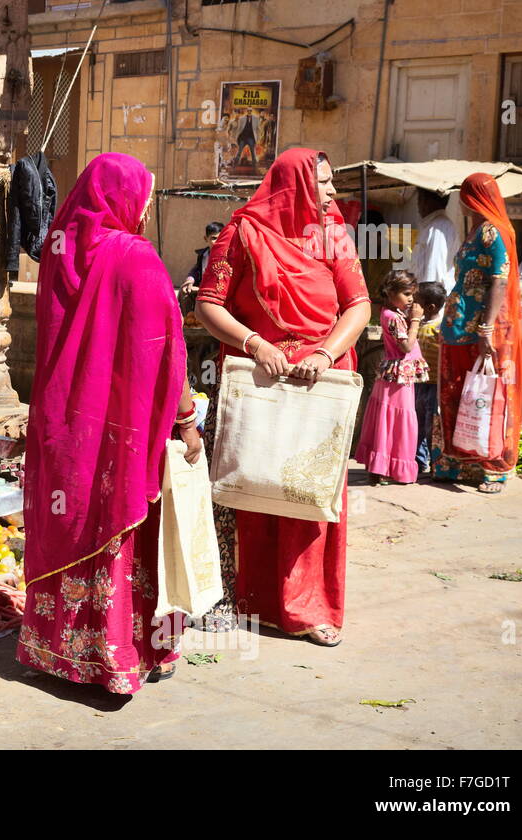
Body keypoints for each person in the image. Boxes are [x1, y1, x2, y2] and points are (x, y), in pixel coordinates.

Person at [17, 153, 202, 694]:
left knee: (69, 518)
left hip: (63, 423)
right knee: (122, 523)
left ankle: (55, 649)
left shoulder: (59, 249)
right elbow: (164, 356)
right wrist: (187, 419)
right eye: (143, 201)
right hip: (121, 429)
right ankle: (126, 654)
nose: (144, 213)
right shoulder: (137, 258)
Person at [195, 148, 371, 646]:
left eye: (333, 183)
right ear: (294, 184)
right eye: (323, 183)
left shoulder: (333, 234)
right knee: (253, 485)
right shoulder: (243, 231)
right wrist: (256, 344)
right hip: (260, 379)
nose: (332, 192)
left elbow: (357, 305)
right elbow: (209, 304)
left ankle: (309, 607)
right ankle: (250, 599)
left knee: (310, 490)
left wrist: (324, 353)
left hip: (323, 378)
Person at [431, 174, 522, 495]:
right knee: (456, 391)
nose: (461, 200)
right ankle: (457, 458)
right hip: (457, 327)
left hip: (482, 330)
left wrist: (486, 328)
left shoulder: (495, 232)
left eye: (465, 194)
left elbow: (499, 280)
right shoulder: (476, 230)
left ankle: (492, 467)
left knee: (487, 394)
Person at [354, 271, 429, 486]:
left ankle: (381, 468)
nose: (411, 299)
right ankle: (386, 468)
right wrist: (415, 320)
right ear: (390, 292)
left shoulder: (390, 313)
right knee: (396, 420)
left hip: (396, 376)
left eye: (412, 294)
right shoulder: (392, 317)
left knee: (387, 420)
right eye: (406, 294)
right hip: (397, 378)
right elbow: (405, 346)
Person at [413, 282, 447, 473]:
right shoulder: (415, 325)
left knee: (430, 425)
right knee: (417, 423)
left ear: (430, 307)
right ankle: (419, 461)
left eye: (417, 302)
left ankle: (435, 462)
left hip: (434, 385)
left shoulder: (440, 328)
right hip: (418, 383)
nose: (413, 305)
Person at [410, 189, 462, 309]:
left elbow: (434, 272)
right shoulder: (432, 226)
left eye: (420, 199)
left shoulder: (438, 227)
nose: (418, 205)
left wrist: (425, 306)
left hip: (432, 306)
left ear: (426, 201)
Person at [180, 221, 225, 297]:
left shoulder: (226, 257)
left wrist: (200, 289)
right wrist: (190, 281)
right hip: (202, 289)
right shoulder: (203, 255)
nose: (217, 242)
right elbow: (196, 270)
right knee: (184, 293)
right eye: (213, 238)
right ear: (205, 239)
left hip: (218, 293)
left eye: (220, 238)